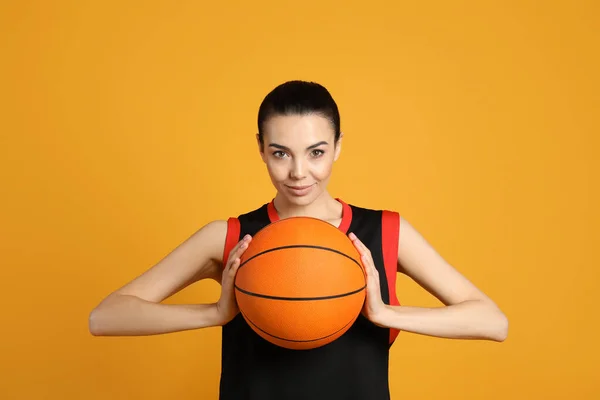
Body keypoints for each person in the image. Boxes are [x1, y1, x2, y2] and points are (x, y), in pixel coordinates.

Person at [89, 80, 508, 399]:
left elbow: (492, 322)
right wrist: (215, 313)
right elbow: (105, 317)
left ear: (338, 147)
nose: (298, 172)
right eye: (280, 152)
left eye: (316, 152)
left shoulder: (386, 232)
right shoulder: (230, 237)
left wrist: (384, 314)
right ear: (260, 148)